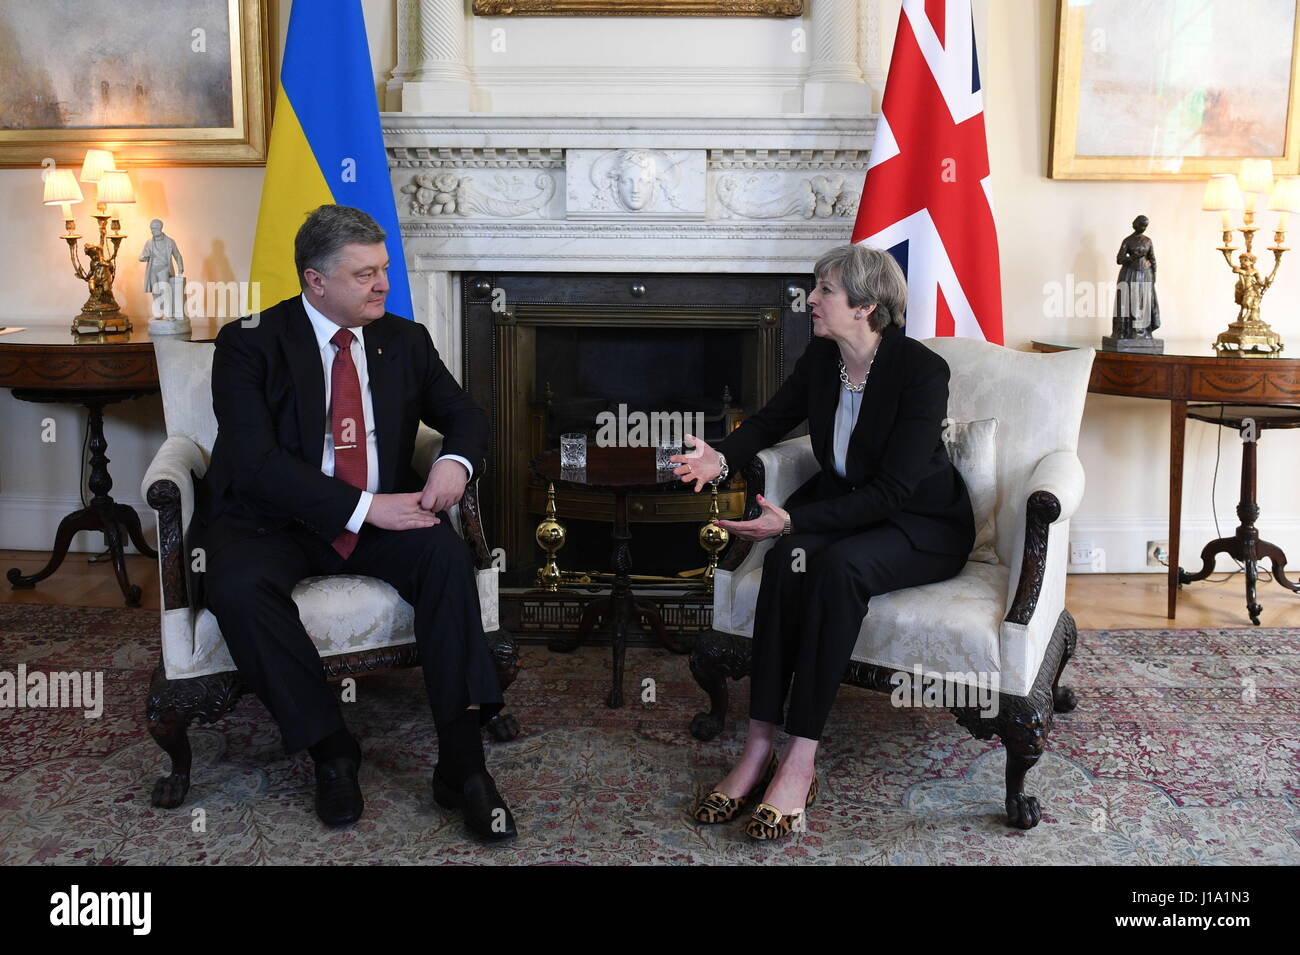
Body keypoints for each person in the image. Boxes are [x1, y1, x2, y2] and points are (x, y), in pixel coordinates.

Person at [193, 204, 516, 840]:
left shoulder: (404, 339)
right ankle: (331, 749)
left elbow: (467, 414)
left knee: (448, 560)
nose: (383, 284)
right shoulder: (248, 342)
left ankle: (463, 764)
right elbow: (254, 463)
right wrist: (366, 508)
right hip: (271, 521)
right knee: (234, 585)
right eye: (365, 274)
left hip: (379, 516)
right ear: (315, 281)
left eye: (384, 269)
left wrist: (453, 462)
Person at [674, 244, 975, 840]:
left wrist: (792, 520)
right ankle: (758, 745)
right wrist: (720, 456)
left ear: (865, 305)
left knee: (835, 568)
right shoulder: (822, 356)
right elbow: (768, 421)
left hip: (920, 522)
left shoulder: (921, 371)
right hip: (847, 506)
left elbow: (893, 490)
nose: (810, 299)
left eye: (825, 290)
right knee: (789, 559)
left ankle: (801, 758)